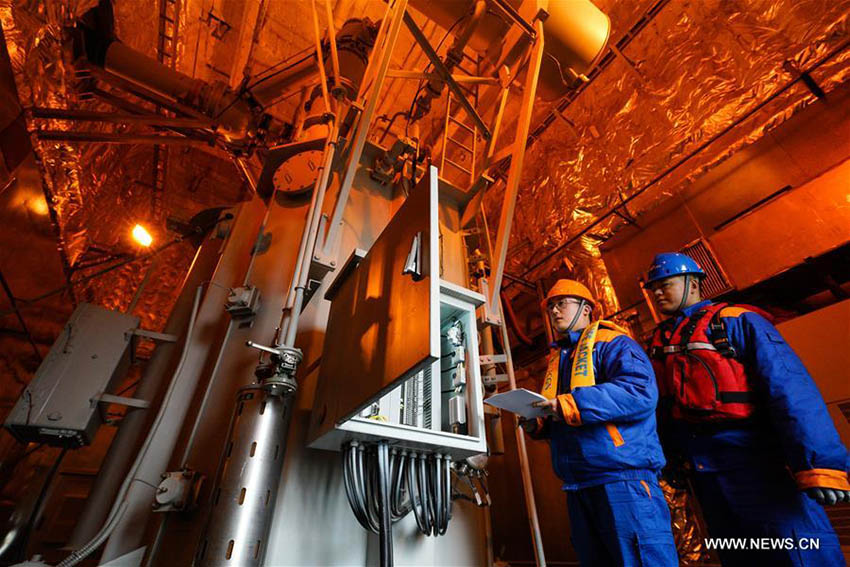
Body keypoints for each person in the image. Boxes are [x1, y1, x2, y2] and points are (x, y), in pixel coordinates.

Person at [645, 252, 850, 566]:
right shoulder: (660, 340)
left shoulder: (736, 321)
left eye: (665, 284)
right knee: (738, 554)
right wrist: (670, 460)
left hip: (758, 466)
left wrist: (820, 463)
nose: (657, 293)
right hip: (706, 475)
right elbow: (662, 407)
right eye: (653, 288)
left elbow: (790, 389)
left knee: (799, 551)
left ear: (694, 283)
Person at [520, 279, 678, 567]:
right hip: (579, 485)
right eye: (551, 306)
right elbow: (566, 414)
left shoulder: (613, 343)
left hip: (623, 481)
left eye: (562, 304)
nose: (554, 311)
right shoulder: (559, 359)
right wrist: (537, 424)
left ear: (586, 309)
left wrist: (571, 403)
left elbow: (640, 392)